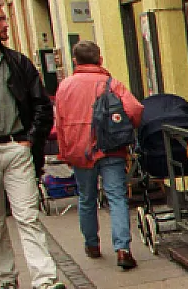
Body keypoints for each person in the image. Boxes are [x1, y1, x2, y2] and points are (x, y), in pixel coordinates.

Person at [0, 0, 67, 289]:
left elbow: (41, 105)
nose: (5, 24)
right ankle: (6, 278)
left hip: (16, 148)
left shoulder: (18, 63)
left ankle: (45, 281)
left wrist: (31, 140)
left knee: (27, 216)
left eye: (4, 19)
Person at [54, 40, 143, 269]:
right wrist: (125, 129)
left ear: (75, 61)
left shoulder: (65, 86)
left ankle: (92, 245)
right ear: (100, 59)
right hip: (111, 148)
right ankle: (123, 249)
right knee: (116, 198)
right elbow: (135, 109)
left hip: (79, 151)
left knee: (86, 198)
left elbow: (60, 123)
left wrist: (65, 153)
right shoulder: (111, 83)